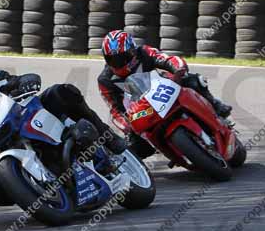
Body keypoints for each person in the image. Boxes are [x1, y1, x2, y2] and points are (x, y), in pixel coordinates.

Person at [0, 50, 126, 204]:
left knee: (63, 93)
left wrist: (23, 82)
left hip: (22, 119)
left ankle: (106, 136)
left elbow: (14, 81)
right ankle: (44, 191)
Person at [98, 30, 232, 159]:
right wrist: (127, 125)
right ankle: (145, 172)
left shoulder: (143, 52)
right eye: (112, 60)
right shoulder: (104, 80)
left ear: (132, 51)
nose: (118, 63)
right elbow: (114, 110)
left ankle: (215, 104)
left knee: (193, 80)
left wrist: (178, 70)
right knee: (132, 148)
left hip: (162, 89)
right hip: (142, 111)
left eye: (122, 57)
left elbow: (167, 59)